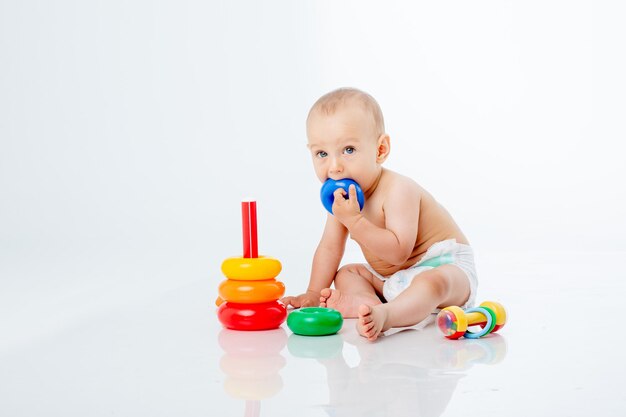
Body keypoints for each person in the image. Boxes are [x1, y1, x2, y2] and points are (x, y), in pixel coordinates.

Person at [281, 88, 478, 341]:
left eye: (348, 150)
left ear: (380, 150)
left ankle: (388, 315)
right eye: (322, 154)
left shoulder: (398, 190)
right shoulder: (343, 201)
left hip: (444, 268)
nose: (334, 167)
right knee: (346, 273)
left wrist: (354, 220)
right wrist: (312, 292)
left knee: (432, 283)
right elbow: (330, 249)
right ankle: (366, 303)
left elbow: (398, 253)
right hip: (393, 279)